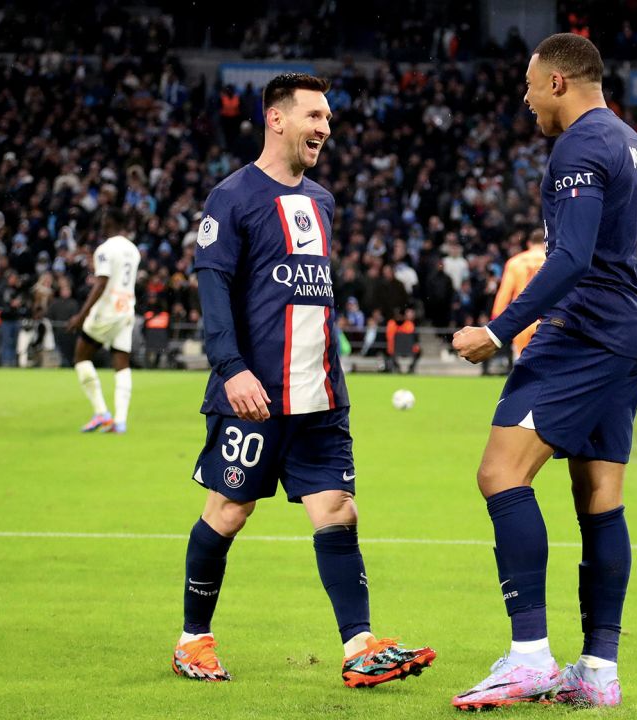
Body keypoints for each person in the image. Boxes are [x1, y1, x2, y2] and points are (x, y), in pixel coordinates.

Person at [174, 73, 435, 687]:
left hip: (320, 396)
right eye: (314, 116)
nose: (324, 127)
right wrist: (231, 369)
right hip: (254, 398)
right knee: (228, 511)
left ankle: (359, 646)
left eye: (328, 119)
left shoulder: (322, 200)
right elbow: (214, 291)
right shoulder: (231, 197)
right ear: (277, 119)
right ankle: (193, 640)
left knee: (338, 511)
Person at [450, 34, 637, 710]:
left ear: (560, 82)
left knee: (500, 472)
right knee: (600, 497)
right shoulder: (629, 142)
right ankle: (597, 670)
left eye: (531, 84)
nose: (527, 97)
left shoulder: (579, 145)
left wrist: (496, 329)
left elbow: (567, 259)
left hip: (585, 329)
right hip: (629, 331)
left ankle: (530, 655)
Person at [66, 210, 141, 434]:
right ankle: (120, 421)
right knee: (121, 362)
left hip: (108, 309)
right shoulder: (133, 250)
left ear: (108, 223)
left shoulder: (106, 249)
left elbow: (101, 283)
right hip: (127, 308)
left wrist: (81, 316)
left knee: (81, 357)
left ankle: (101, 413)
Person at [491, 228, 547, 359]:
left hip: (522, 319)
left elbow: (504, 293)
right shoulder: (552, 260)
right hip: (547, 319)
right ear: (546, 243)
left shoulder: (515, 262)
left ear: (529, 243)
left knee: (521, 362)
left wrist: (495, 320)